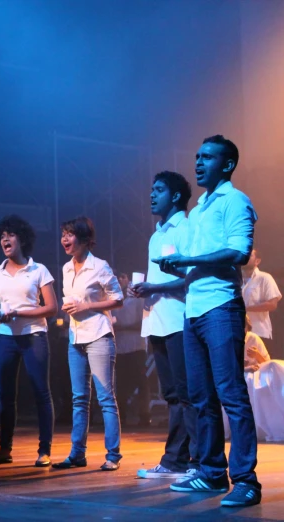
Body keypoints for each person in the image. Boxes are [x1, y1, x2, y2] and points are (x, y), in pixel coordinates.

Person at [153, 135, 261, 507]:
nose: (198, 163)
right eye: (197, 156)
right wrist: (177, 266)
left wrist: (185, 260)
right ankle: (212, 473)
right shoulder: (197, 210)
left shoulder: (235, 201)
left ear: (227, 164)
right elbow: (194, 265)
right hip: (194, 310)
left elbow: (239, 251)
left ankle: (246, 480)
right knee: (200, 398)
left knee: (231, 395)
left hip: (221, 308)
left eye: (208, 157)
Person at [133, 170, 198, 480]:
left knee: (187, 395)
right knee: (172, 395)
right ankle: (176, 460)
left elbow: (192, 278)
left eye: (158, 189)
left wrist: (154, 288)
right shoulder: (156, 235)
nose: (151, 194)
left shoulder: (185, 229)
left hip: (178, 320)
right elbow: (160, 279)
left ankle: (196, 462)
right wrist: (145, 287)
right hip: (156, 322)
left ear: (174, 196)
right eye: (151, 188)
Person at [0, 214, 57, 467]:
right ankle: (4, 449)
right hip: (6, 339)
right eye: (2, 236)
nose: (5, 239)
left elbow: (51, 308)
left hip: (34, 336)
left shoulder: (39, 270)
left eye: (10, 235)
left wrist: (20, 312)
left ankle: (44, 450)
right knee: (5, 396)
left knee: (40, 392)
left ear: (22, 239)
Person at [52, 216, 124, 471]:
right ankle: (77, 454)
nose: (64, 239)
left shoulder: (100, 266)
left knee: (105, 397)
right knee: (79, 398)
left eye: (69, 234)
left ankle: (113, 455)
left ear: (83, 239)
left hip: (99, 336)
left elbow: (118, 298)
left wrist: (87, 305)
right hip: (75, 337)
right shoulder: (66, 268)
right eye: (63, 235)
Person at [112, 272, 150, 427]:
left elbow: (144, 323)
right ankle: (121, 416)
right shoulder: (113, 299)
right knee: (120, 383)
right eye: (118, 277)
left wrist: (124, 327)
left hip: (136, 346)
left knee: (141, 382)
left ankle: (144, 415)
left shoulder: (137, 298)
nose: (120, 280)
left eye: (123, 277)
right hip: (120, 348)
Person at [242, 249, 281, 357]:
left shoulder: (265, 278)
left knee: (261, 367)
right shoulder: (235, 279)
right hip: (239, 334)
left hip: (259, 331)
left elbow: (272, 304)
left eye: (249, 255)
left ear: (257, 261)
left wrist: (245, 308)